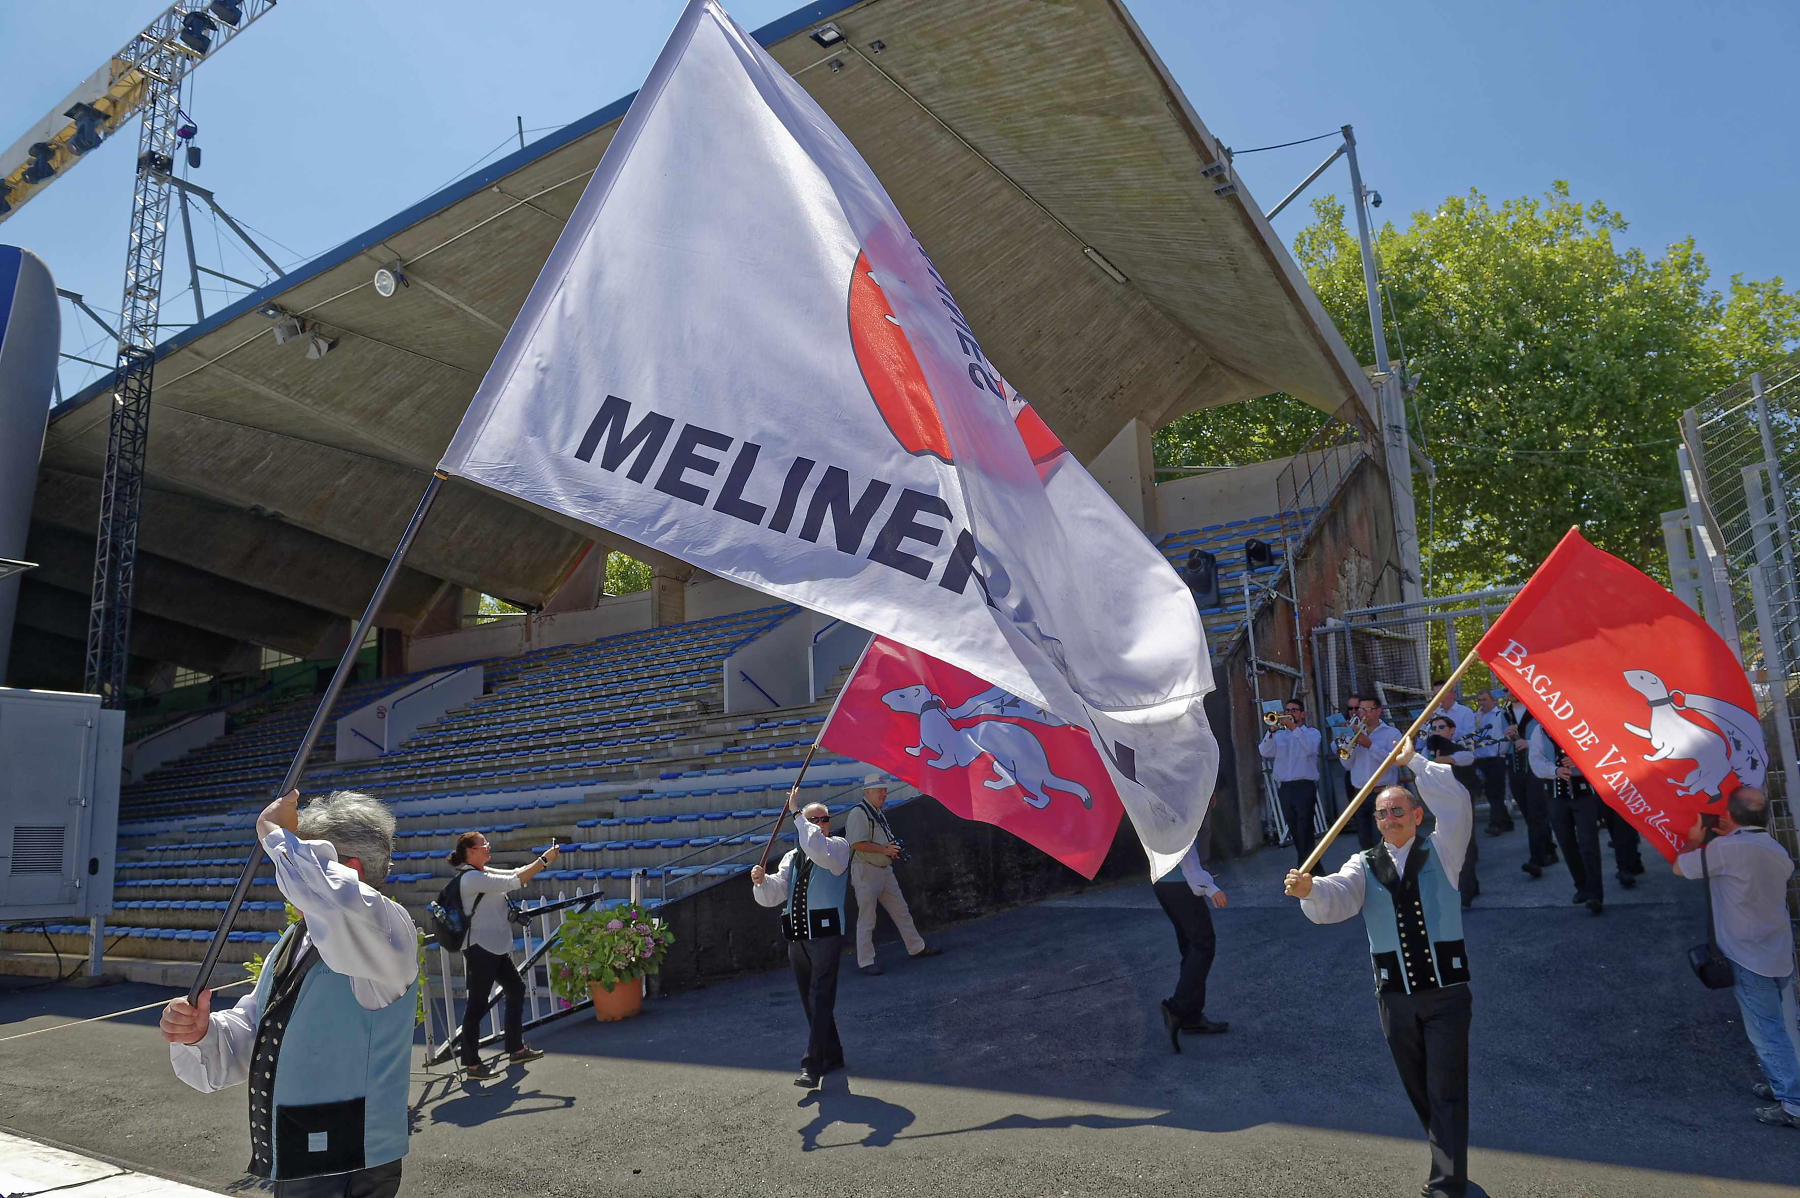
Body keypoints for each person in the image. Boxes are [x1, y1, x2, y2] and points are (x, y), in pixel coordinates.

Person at [158, 790, 417, 1197]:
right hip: (299, 1151)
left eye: (306, 853)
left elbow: (336, 896)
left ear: (348, 869)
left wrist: (272, 831)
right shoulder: (296, 939)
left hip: (351, 1156)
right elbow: (256, 1025)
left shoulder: (387, 929)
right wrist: (201, 1032)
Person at [1284, 740, 1474, 1198]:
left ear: (1417, 816)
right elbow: (1338, 898)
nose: (1390, 819)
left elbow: (1458, 802)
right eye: (1382, 814)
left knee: (1445, 1089)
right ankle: (1445, 1155)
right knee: (1421, 1091)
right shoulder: (1363, 864)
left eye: (1398, 811)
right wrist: (1310, 889)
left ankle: (1447, 1184)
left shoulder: (1444, 850)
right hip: (1394, 999)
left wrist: (1413, 762)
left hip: (1447, 995)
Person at [1672, 787, 1800, 1129]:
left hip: (1746, 955)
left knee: (1766, 1032)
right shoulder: (1776, 850)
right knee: (1775, 1026)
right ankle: (1782, 1087)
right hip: (1777, 952)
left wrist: (1693, 838)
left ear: (1730, 816)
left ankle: (1794, 1105)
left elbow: (1680, 868)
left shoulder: (1722, 849)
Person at [752, 800, 852, 1089]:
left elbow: (818, 851)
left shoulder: (838, 847)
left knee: (821, 997)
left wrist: (797, 813)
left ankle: (812, 1064)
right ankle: (833, 1054)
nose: (821, 824)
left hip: (826, 935)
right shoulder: (791, 858)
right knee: (811, 1000)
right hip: (797, 936)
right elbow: (775, 894)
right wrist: (761, 882)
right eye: (814, 820)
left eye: (824, 819)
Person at [450, 830, 561, 1079]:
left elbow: (514, 874)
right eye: (483, 845)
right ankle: (472, 1064)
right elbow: (514, 881)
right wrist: (544, 861)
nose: (488, 847)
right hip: (480, 949)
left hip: (494, 947)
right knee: (476, 1005)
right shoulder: (471, 879)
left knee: (515, 990)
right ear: (470, 852)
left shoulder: (481, 874)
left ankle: (515, 1048)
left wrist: (539, 862)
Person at [844, 778, 941, 975]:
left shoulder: (876, 812)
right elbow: (855, 844)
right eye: (879, 790)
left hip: (883, 868)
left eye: (884, 791)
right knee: (867, 918)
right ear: (867, 792)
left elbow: (879, 842)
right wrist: (885, 849)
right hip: (866, 870)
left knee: (901, 910)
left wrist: (890, 851)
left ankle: (916, 947)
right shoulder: (858, 813)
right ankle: (866, 961)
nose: (883, 794)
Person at [1153, 837, 1229, 1050]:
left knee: (1191, 946)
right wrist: (1209, 887)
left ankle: (1192, 1016)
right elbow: (1183, 846)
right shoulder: (1172, 805)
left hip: (1162, 881)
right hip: (1181, 881)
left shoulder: (1148, 804)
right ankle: (1177, 1009)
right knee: (1203, 944)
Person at [1529, 719, 1605, 914]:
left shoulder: (1580, 725)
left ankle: (1596, 894)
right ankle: (1582, 887)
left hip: (1583, 794)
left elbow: (1599, 753)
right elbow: (1536, 761)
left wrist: (1579, 759)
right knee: (1566, 842)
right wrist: (1554, 770)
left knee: (1589, 843)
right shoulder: (1540, 730)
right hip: (1555, 795)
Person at [1418, 716, 1480, 907]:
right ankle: (1466, 886)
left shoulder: (1459, 745)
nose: (1437, 730)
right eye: (1433, 727)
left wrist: (1448, 758)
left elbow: (1468, 757)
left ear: (1451, 730)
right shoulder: (1427, 749)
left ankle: (1466, 891)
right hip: (1440, 805)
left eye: (1441, 727)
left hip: (1461, 803)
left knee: (1465, 845)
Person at [1260, 699, 1324, 868]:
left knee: (1305, 829)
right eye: (1287, 710)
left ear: (1302, 713)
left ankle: (1303, 868)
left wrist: (1293, 728)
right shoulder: (1279, 735)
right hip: (1285, 788)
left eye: (1294, 710)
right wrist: (1272, 731)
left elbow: (1310, 749)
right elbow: (1264, 751)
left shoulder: (1312, 733)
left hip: (1304, 786)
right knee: (1295, 830)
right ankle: (1313, 868)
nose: (1290, 713)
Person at [1505, 699, 1556, 878]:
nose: (1509, 691)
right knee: (1529, 814)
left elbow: (1551, 736)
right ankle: (1549, 850)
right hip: (1515, 769)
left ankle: (1536, 859)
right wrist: (1505, 737)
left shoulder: (1536, 708)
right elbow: (1499, 748)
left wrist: (1529, 743)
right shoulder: (1505, 712)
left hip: (1536, 769)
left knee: (1536, 814)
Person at [1346, 697, 1402, 850]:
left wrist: (1370, 745)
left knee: (1383, 840)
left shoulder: (1392, 733)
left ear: (1378, 711)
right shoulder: (1355, 732)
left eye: (1368, 710)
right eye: (1361, 709)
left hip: (1382, 794)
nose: (1363, 714)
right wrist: (1348, 745)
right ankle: (1370, 873)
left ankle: (1389, 873)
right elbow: (1346, 764)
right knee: (1364, 842)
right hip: (1360, 794)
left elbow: (1393, 761)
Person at [1470, 689, 1515, 835]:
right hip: (1480, 759)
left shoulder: (1501, 715)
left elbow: (1508, 735)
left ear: (1493, 701)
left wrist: (1501, 750)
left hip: (1496, 759)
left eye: (1485, 700)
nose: (1481, 703)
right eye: (1480, 700)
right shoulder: (1477, 716)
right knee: (1491, 793)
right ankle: (1506, 821)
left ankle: (1495, 824)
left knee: (1496, 792)